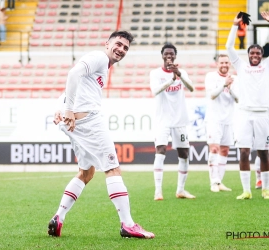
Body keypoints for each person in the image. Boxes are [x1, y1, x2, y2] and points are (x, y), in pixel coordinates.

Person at [48, 31, 155, 239]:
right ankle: (128, 224)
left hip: (75, 124)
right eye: (118, 44)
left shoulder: (103, 67)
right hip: (88, 122)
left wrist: (60, 108)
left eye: (125, 48)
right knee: (112, 168)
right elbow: (73, 74)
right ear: (107, 43)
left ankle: (58, 217)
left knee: (86, 173)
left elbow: (76, 84)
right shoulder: (99, 57)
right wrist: (68, 109)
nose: (121, 49)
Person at [225, 11, 269, 199]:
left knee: (264, 153)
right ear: (248, 54)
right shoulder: (241, 66)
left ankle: (266, 189)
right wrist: (235, 25)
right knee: (243, 152)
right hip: (244, 114)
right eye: (252, 52)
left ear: (262, 55)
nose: (255, 55)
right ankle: (246, 190)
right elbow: (228, 46)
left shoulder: (266, 66)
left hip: (263, 114)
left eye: (258, 53)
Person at [150, 44, 196, 201]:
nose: (169, 56)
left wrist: (180, 75)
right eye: (166, 54)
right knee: (160, 150)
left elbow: (192, 88)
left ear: (175, 56)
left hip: (180, 121)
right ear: (162, 55)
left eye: (172, 54)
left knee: (184, 154)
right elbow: (155, 91)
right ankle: (158, 191)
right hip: (162, 121)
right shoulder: (156, 73)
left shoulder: (182, 73)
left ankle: (181, 190)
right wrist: (171, 80)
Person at [204, 54, 238, 192]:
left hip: (229, 120)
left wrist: (230, 88)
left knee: (225, 150)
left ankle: (220, 182)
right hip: (214, 119)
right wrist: (224, 84)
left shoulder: (235, 79)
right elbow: (212, 95)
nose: (224, 65)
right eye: (222, 62)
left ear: (230, 64)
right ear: (217, 64)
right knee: (214, 149)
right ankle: (213, 182)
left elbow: (238, 99)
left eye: (226, 62)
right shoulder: (211, 77)